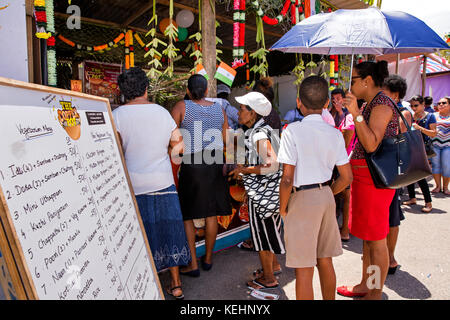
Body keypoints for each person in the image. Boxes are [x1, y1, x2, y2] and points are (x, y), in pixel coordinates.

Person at [113, 67, 190, 299]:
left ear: (123, 91)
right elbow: (180, 149)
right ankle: (176, 284)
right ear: (147, 88)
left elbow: (116, 153)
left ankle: (148, 286)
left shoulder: (116, 116)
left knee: (143, 235)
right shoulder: (162, 113)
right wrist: (163, 151)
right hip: (163, 182)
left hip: (134, 187)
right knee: (170, 231)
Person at [278, 76, 352, 300]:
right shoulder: (335, 133)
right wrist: (329, 191)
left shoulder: (292, 131)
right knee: (325, 260)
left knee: (304, 269)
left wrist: (282, 209)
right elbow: (346, 177)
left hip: (301, 199)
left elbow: (287, 179)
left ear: (299, 102)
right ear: (327, 103)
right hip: (326, 195)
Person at [337, 60, 399, 300]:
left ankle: (375, 291)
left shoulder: (382, 104)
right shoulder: (372, 103)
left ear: (367, 81)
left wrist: (355, 114)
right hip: (365, 177)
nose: (350, 84)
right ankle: (366, 284)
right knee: (368, 238)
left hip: (375, 179)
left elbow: (371, 144)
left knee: (376, 240)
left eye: (353, 80)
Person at [171, 74, 232, 277]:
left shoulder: (181, 107)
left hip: (193, 163)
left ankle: (193, 265)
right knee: (211, 213)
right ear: (207, 90)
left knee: (188, 214)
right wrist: (229, 161)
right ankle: (208, 259)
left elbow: (171, 138)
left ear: (188, 91)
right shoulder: (219, 109)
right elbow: (228, 138)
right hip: (215, 162)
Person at [229, 91, 285, 290]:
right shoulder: (266, 129)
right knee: (270, 232)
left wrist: (244, 170)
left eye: (242, 109)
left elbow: (272, 164)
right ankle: (273, 267)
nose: (238, 112)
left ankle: (268, 278)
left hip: (262, 194)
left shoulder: (258, 134)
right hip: (272, 193)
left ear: (253, 113)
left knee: (261, 236)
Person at [382, 74, 411, 275]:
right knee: (385, 215)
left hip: (394, 169)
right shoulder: (384, 109)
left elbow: (401, 139)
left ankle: (390, 257)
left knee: (392, 217)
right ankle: (382, 254)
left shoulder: (403, 113)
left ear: (396, 94)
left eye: (385, 92)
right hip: (383, 168)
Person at [402, 95, 437, 212]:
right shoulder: (411, 116)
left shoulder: (430, 116)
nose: (413, 108)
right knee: (409, 174)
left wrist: (419, 128)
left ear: (423, 105)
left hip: (422, 150)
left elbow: (433, 133)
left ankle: (428, 203)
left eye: (416, 105)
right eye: (412, 106)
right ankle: (412, 198)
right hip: (411, 148)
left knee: (420, 176)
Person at [430, 96, 450, 194]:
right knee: (435, 165)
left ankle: (445, 187)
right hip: (435, 145)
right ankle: (438, 186)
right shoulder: (433, 115)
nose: (441, 105)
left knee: (447, 166)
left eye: (444, 103)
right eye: (439, 103)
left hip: (448, 146)